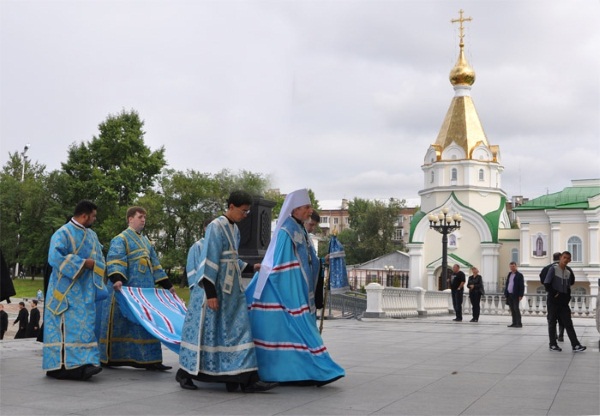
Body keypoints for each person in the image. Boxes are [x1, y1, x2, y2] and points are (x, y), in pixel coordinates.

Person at [177, 191, 276, 392]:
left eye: (248, 211)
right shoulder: (215, 226)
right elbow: (209, 261)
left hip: (233, 294)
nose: (245, 215)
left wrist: (252, 267)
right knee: (207, 334)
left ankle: (244, 379)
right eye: (243, 211)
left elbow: (232, 260)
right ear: (231, 206)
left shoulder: (235, 230)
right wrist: (211, 294)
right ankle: (185, 373)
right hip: (214, 292)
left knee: (238, 332)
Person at [246, 188, 345, 386]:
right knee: (294, 332)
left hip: (297, 291)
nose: (311, 210)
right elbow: (282, 265)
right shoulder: (286, 231)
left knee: (297, 334)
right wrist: (294, 291)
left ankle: (309, 371)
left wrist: (322, 261)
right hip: (283, 293)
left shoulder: (299, 230)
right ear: (295, 209)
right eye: (307, 207)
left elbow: (307, 260)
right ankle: (315, 370)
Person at [99, 206, 175, 371]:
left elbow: (156, 265)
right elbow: (114, 259)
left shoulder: (147, 242)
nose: (143, 220)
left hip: (144, 294)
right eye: (140, 217)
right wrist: (117, 279)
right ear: (130, 219)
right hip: (124, 291)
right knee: (124, 324)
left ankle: (151, 360)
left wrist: (168, 286)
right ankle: (112, 358)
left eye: (144, 218)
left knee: (147, 323)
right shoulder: (121, 239)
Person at [43, 200, 105, 380]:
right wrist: (84, 263)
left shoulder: (92, 235)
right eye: (93, 216)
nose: (94, 219)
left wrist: (97, 266)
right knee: (66, 328)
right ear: (84, 215)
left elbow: (100, 259)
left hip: (86, 290)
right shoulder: (62, 233)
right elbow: (54, 257)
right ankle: (60, 367)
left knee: (84, 327)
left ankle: (85, 363)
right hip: (65, 291)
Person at [544, 251, 586, 352]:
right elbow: (546, 284)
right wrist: (555, 293)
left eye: (568, 258)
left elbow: (568, 287)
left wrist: (567, 297)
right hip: (553, 300)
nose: (566, 260)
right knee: (552, 322)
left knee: (568, 323)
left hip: (563, 302)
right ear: (560, 258)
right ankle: (553, 344)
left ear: (570, 260)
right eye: (564, 257)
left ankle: (575, 345)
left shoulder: (568, 272)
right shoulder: (553, 269)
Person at [540, 252, 574, 342]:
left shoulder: (546, 268)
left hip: (552, 297)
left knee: (552, 319)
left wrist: (552, 291)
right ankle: (561, 335)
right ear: (560, 258)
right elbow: (572, 281)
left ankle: (553, 337)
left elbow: (542, 279)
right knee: (562, 319)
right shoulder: (566, 269)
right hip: (561, 297)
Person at [504, 262, 524, 328]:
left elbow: (521, 286)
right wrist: (506, 293)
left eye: (513, 266)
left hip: (516, 294)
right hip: (509, 294)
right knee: (512, 309)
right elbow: (507, 284)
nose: (512, 268)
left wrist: (521, 295)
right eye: (511, 266)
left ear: (516, 266)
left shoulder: (519, 275)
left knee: (516, 309)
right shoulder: (509, 274)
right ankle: (514, 323)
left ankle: (519, 323)